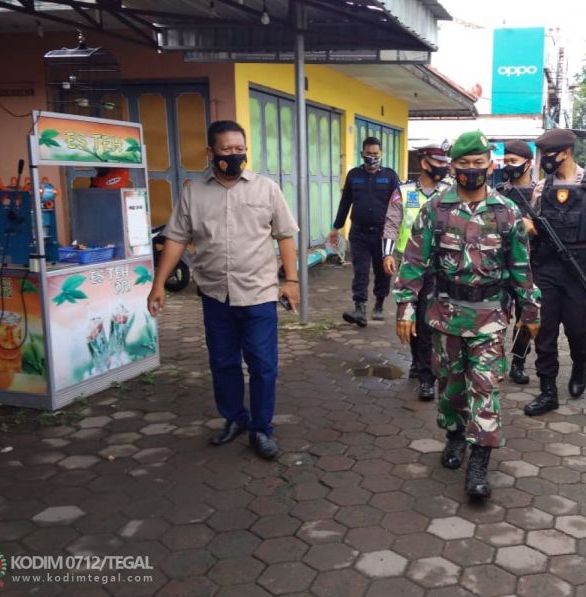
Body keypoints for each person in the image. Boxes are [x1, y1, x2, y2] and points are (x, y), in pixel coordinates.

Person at [394, 130, 541, 500]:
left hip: (490, 316)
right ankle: (455, 435)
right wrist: (405, 308)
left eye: (478, 164)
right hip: (445, 314)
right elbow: (413, 261)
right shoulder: (436, 209)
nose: (471, 171)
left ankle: (480, 459)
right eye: (464, 164)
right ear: (453, 167)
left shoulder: (506, 212)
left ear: (489, 166)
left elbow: (521, 267)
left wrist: (530, 309)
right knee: (451, 388)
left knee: (485, 387)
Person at [147, 120, 299, 459]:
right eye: (227, 149)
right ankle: (235, 418)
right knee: (222, 362)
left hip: (259, 293)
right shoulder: (193, 192)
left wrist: (291, 281)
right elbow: (176, 239)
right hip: (215, 294)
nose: (234, 155)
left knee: (263, 365)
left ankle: (261, 428)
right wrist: (158, 283)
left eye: (239, 149)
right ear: (210, 152)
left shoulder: (266, 189)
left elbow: (285, 235)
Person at [522, 128, 586, 417]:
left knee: (578, 329)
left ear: (565, 153)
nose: (545, 161)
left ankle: (580, 365)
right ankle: (547, 389)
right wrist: (527, 226)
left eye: (548, 155)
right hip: (547, 267)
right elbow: (530, 221)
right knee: (545, 329)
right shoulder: (542, 186)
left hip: (578, 267)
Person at [382, 142, 452, 402]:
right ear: (425, 163)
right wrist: (387, 253)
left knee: (432, 321)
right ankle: (421, 367)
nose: (443, 169)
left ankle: (429, 373)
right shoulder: (405, 192)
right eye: (439, 164)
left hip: (443, 264)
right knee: (413, 317)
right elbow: (392, 224)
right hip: (411, 265)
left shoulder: (450, 192)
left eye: (446, 164)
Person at [330, 137, 401, 327]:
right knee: (360, 271)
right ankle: (359, 308)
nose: (372, 157)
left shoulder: (390, 176)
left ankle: (379, 303)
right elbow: (345, 203)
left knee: (382, 271)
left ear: (381, 154)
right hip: (359, 233)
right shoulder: (354, 175)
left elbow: (398, 206)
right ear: (362, 154)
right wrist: (336, 227)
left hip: (382, 234)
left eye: (376, 154)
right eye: (369, 154)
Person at [494, 140, 537, 386]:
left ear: (528, 164)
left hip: (529, 266)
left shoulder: (539, 191)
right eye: (506, 161)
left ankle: (518, 363)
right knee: (496, 314)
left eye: (514, 161)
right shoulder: (499, 192)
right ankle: (494, 361)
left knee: (526, 315)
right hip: (499, 265)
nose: (508, 165)